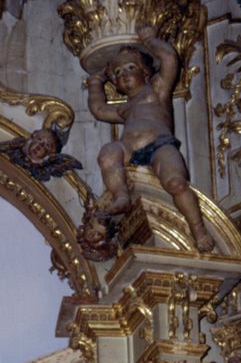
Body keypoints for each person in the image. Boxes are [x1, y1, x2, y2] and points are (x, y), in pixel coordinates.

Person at [88, 26, 215, 253]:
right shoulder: (124, 109)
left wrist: (150, 40)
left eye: (130, 68)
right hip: (130, 149)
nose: (124, 74)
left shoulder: (156, 89)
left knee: (176, 183)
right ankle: (121, 195)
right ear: (115, 84)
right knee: (107, 155)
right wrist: (95, 84)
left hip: (160, 145)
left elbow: (168, 57)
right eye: (117, 73)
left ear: (145, 71)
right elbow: (98, 109)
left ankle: (198, 230)